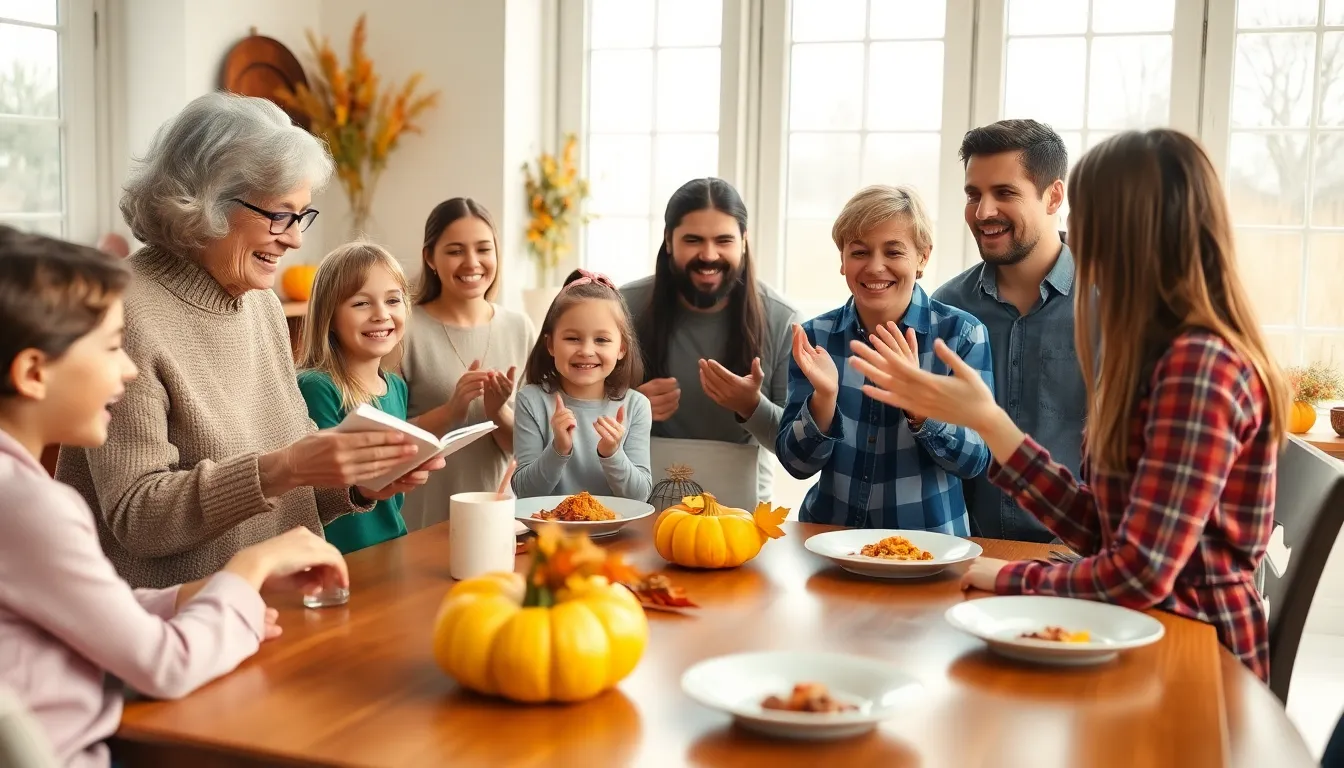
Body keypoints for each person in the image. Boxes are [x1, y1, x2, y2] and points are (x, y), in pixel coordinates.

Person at [849, 130, 1289, 681]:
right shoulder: (1160, 349)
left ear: (1134, 230)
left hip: (1192, 657)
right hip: (1140, 627)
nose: (1075, 232)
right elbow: (1103, 528)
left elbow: (1139, 574)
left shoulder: (1198, 367)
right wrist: (986, 418)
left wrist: (995, 574)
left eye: (1091, 214)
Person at [55, 92, 443, 589]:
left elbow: (290, 472)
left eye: (302, 216)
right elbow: (136, 514)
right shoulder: (124, 311)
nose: (296, 239)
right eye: (279, 215)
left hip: (272, 603)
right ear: (209, 201)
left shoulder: (259, 303)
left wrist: (359, 480)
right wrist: (284, 468)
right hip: (170, 623)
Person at [0, 227, 352, 768]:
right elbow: (165, 664)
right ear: (32, 373)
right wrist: (250, 565)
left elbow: (87, 612)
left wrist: (211, 592)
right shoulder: (30, 505)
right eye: (112, 347)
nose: (130, 368)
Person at [777, 185, 993, 532]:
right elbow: (795, 464)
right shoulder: (815, 337)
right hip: (829, 543)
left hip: (928, 548)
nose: (876, 267)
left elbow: (975, 460)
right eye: (860, 252)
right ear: (843, 260)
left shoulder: (961, 336)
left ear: (922, 257)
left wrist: (919, 404)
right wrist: (824, 400)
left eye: (894, 251)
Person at [932, 119, 1085, 543]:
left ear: (1053, 196)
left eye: (1004, 193)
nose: (983, 212)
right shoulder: (947, 308)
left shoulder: (1109, 307)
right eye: (973, 194)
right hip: (963, 550)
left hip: (1077, 555)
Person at [621, 178, 797, 502]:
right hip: (639, 504)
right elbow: (581, 417)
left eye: (724, 240)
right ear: (669, 241)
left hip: (742, 512)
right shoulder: (623, 307)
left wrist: (751, 406)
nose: (709, 254)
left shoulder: (781, 319)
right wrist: (629, 405)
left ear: (744, 242)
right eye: (693, 240)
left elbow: (795, 447)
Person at [399, 198, 534, 531]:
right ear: (430, 258)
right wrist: (451, 411)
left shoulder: (519, 327)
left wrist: (498, 411)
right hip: (421, 520)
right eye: (455, 250)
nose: (472, 262)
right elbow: (387, 438)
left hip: (499, 520)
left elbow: (529, 448)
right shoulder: (404, 329)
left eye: (483, 249)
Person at [297, 242, 415, 554]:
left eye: (393, 300)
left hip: (392, 547)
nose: (381, 315)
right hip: (340, 558)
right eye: (361, 303)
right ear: (330, 317)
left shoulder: (396, 387)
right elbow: (316, 489)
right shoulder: (316, 387)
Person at [512, 269, 652, 500]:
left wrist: (612, 454)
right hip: (548, 534)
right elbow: (525, 492)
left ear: (621, 349)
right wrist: (558, 448)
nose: (586, 351)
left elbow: (639, 497)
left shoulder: (636, 406)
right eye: (572, 338)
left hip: (616, 535)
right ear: (551, 345)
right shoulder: (531, 400)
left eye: (602, 340)